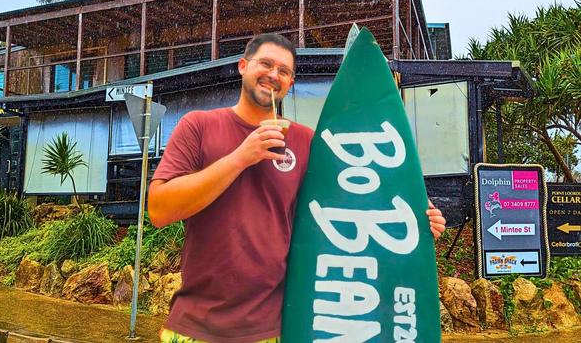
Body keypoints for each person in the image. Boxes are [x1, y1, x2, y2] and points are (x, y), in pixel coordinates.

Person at [148, 33, 447, 343]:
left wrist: (416, 222)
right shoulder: (198, 126)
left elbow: (351, 205)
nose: (273, 75)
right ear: (242, 66)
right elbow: (159, 209)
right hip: (194, 327)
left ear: (290, 83)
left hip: (272, 330)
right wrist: (239, 158)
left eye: (284, 71)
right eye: (265, 64)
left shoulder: (305, 142)